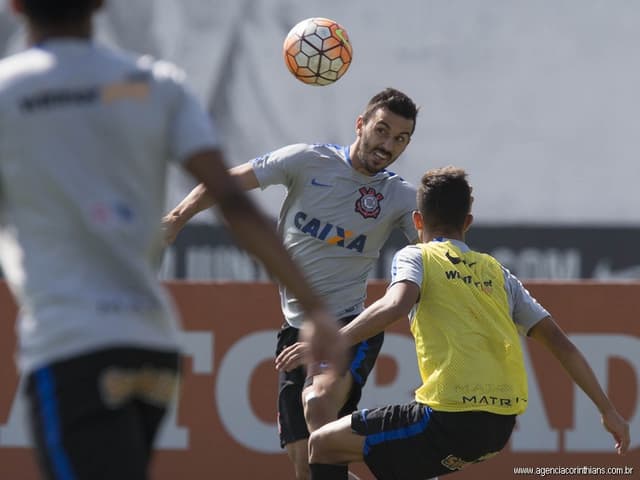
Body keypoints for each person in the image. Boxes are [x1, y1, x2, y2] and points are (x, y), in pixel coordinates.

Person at [0, 1, 346, 479]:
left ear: (16, 7)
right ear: (100, 5)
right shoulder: (153, 84)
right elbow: (234, 202)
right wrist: (314, 306)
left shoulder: (7, 92)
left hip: (70, 343)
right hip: (152, 349)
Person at [301, 167, 631, 479]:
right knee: (405, 461)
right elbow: (561, 344)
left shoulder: (416, 255)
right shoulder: (499, 274)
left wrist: (334, 340)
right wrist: (608, 411)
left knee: (322, 445)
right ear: (468, 222)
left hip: (448, 419)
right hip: (498, 428)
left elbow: (396, 303)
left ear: (417, 220)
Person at [164, 87, 420, 479]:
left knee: (318, 404)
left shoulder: (398, 196)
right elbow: (225, 183)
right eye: (382, 131)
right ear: (360, 125)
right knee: (305, 466)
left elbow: (436, 248)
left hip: (347, 328)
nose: (388, 145)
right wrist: (177, 217)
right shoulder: (306, 161)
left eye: (400, 139)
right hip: (295, 330)